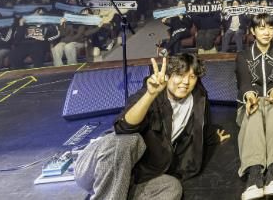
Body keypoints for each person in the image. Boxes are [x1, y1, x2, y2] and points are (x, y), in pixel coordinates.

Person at [74, 53, 230, 199]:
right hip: (98, 167)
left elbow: (200, 124)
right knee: (130, 141)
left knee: (172, 188)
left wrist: (212, 136)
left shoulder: (198, 97)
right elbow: (124, 127)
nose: (186, 82)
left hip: (134, 176)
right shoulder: (152, 93)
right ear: (167, 76)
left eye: (192, 76)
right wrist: (150, 95)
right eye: (180, 75)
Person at [235, 13, 273, 200]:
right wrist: (250, 96)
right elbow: (244, 81)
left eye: (270, 28)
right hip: (251, 102)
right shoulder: (243, 55)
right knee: (254, 112)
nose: (266, 32)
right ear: (253, 31)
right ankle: (254, 174)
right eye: (261, 28)